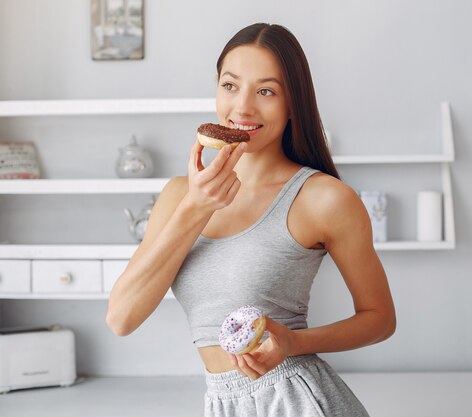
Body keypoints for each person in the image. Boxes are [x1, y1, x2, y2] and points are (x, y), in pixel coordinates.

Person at [106, 22, 396, 417]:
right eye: (230, 85)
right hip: (221, 402)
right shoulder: (179, 196)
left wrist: (293, 343)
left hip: (296, 400)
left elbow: (379, 319)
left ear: (293, 102)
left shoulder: (324, 199)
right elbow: (121, 318)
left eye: (266, 91)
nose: (242, 107)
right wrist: (196, 206)